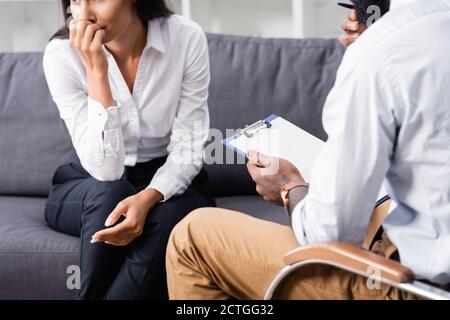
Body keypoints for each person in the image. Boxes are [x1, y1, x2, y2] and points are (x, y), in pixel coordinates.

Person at [166, 0, 450, 300]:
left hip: (415, 288)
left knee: (193, 238)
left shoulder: (381, 52)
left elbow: (329, 236)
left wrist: (291, 188)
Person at [43, 0, 215, 300]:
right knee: (111, 194)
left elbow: (189, 148)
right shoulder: (61, 54)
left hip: (164, 179)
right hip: (89, 180)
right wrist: (97, 69)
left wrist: (148, 198)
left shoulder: (186, 38)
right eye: (75, 0)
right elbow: (106, 171)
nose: (84, 13)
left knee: (166, 220)